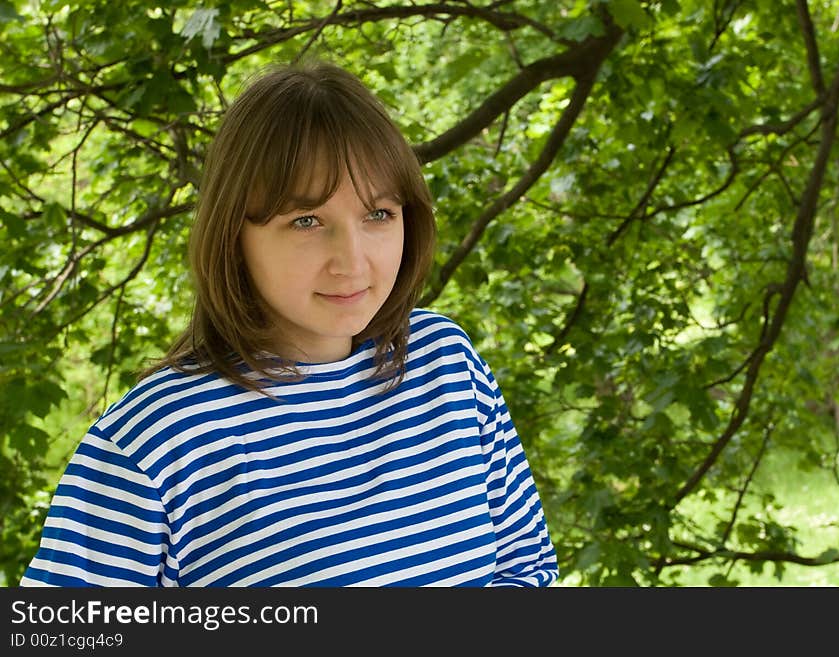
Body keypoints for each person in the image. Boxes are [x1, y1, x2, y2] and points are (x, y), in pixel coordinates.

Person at [20, 59, 558, 587]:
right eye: (306, 221)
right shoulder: (159, 440)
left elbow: (527, 569)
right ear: (235, 235)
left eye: (378, 215)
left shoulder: (446, 365)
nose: (352, 261)